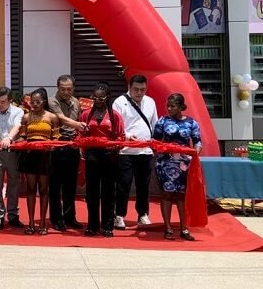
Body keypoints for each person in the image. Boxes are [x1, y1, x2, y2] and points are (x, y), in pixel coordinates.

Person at [152, 93, 202, 241]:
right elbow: (155, 140)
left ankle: (184, 228)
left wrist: (196, 152)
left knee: (182, 196)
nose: (169, 108)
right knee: (166, 194)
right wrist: (161, 149)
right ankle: (167, 228)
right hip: (165, 163)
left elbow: (198, 141)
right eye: (168, 105)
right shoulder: (162, 121)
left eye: (172, 106)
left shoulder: (191, 123)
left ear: (181, 107)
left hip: (184, 164)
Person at [79, 81, 124, 238]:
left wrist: (116, 147)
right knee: (91, 192)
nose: (98, 100)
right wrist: (82, 146)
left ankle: (107, 225)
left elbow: (121, 136)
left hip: (109, 156)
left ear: (107, 97)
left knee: (108, 192)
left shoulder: (115, 116)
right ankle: (92, 225)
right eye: (95, 98)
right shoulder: (85, 114)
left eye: (101, 98)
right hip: (92, 156)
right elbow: (81, 134)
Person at [112, 75, 158, 230]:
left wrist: (154, 141)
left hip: (145, 150)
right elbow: (115, 126)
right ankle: (119, 215)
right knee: (123, 184)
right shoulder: (119, 102)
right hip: (125, 150)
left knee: (143, 184)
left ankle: (143, 214)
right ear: (129, 87)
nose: (139, 93)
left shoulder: (150, 102)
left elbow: (154, 124)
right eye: (136, 89)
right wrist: (126, 136)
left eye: (143, 89)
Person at [17, 87, 59, 235]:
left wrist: (52, 146)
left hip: (45, 157)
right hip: (30, 155)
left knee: (43, 190)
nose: (34, 104)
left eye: (37, 102)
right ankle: (30, 223)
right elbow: (23, 136)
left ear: (44, 102)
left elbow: (56, 138)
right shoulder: (26, 117)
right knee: (30, 188)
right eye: (32, 102)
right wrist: (16, 142)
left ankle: (42, 223)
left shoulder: (52, 117)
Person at [47, 74, 87, 231]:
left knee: (71, 184)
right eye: (63, 89)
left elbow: (78, 119)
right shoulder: (52, 101)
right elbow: (61, 118)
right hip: (57, 146)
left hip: (73, 146)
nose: (66, 92)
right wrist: (79, 125)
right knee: (55, 184)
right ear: (57, 88)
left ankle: (70, 217)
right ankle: (56, 218)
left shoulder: (76, 102)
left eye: (69, 89)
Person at [0, 86, 25, 229]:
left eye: (3, 102)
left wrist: (9, 138)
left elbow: (17, 126)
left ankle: (13, 214)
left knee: (14, 183)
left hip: (13, 150)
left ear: (10, 101)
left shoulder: (18, 111)